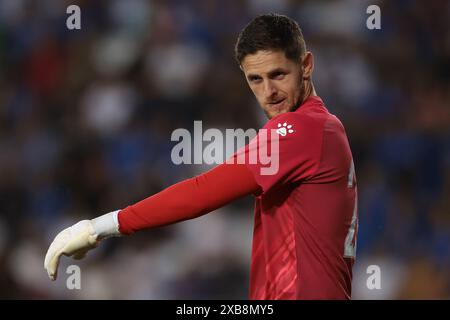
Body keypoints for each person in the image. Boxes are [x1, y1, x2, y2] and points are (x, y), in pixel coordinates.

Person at [44, 13, 358, 300]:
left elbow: (203, 192)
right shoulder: (324, 129)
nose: (268, 92)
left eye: (278, 74)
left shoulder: (304, 128)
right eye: (255, 79)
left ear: (306, 65)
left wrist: (97, 228)